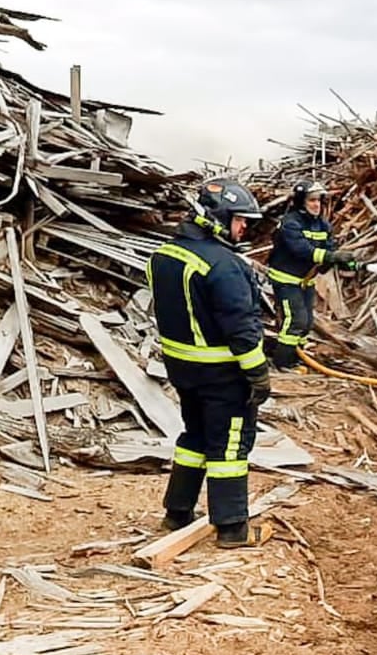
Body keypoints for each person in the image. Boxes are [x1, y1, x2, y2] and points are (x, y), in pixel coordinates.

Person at [147, 178, 272, 548]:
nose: (244, 228)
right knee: (230, 447)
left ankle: (177, 512)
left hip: (182, 370)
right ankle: (232, 526)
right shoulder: (223, 266)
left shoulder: (165, 256)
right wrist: (258, 375)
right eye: (239, 220)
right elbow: (242, 328)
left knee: (194, 437)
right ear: (217, 218)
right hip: (223, 375)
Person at [267, 180, 359, 370]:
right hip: (286, 280)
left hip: (306, 280)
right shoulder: (290, 223)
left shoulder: (322, 225)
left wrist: (338, 260)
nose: (317, 204)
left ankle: (297, 354)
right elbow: (301, 250)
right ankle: (283, 363)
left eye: (319, 200)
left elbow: (328, 247)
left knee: (307, 322)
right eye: (311, 200)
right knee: (295, 321)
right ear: (301, 202)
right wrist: (330, 256)